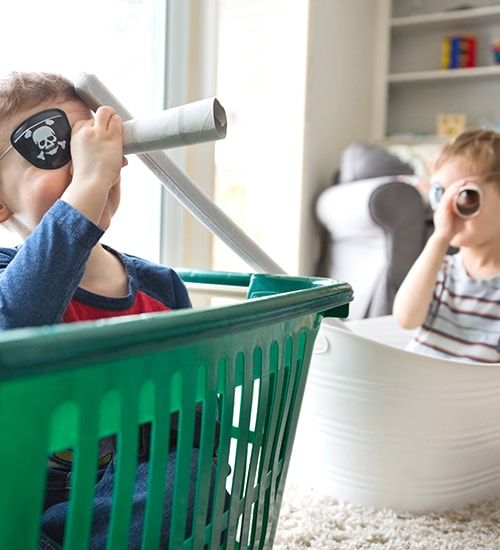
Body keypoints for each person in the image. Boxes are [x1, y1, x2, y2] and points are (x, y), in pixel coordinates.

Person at [0, 71, 213, 548]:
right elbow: (15, 322)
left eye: (91, 149)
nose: (83, 167)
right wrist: (89, 182)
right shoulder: (3, 279)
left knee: (190, 473)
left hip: (126, 504)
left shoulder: (162, 288)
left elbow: (193, 423)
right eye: (59, 153)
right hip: (19, 501)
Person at [393, 128, 500, 364]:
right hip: (419, 384)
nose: (448, 209)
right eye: (439, 194)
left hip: (470, 396)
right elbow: (406, 319)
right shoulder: (440, 269)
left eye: (466, 196)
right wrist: (439, 238)